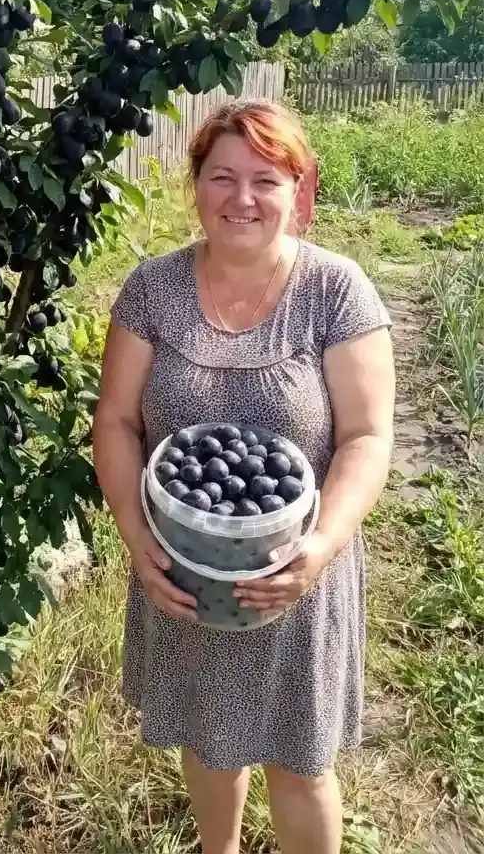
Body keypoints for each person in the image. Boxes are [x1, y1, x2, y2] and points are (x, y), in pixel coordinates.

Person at [93, 100, 395, 854]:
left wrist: (316, 549)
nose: (242, 198)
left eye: (266, 179)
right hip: (188, 568)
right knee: (209, 741)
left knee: (301, 766)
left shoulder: (337, 292)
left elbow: (365, 436)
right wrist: (138, 539)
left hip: (295, 572)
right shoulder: (152, 290)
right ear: (195, 187)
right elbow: (116, 422)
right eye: (222, 177)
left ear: (301, 190)